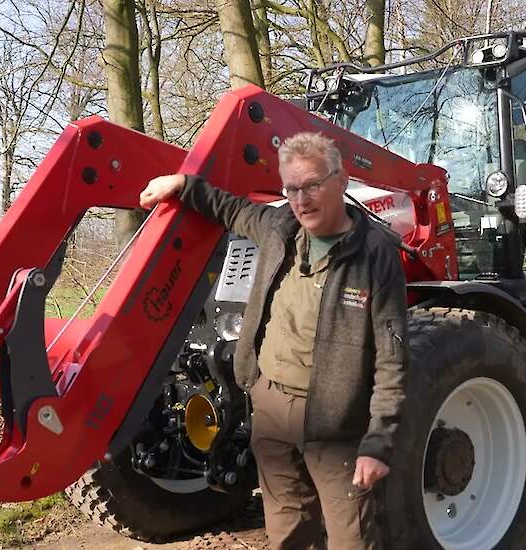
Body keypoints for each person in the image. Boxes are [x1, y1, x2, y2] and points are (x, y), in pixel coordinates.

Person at [140, 132, 408, 550]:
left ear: (341, 180)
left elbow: (392, 358)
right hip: (269, 407)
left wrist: (378, 441)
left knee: (352, 535)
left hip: (335, 423)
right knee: (286, 527)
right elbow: (230, 208)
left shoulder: (374, 255)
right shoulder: (279, 228)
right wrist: (183, 186)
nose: (302, 200)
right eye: (292, 189)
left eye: (313, 185)